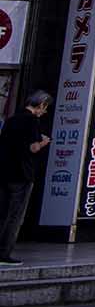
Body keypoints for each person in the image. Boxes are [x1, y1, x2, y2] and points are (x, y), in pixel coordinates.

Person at [0, 91, 51, 265]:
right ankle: (4, 253)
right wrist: (44, 142)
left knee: (2, 212)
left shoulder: (12, 119)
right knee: (15, 215)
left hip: (5, 171)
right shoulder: (32, 121)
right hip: (22, 173)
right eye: (45, 108)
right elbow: (33, 147)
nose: (44, 112)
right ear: (41, 105)